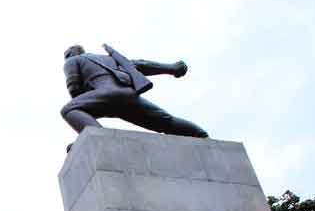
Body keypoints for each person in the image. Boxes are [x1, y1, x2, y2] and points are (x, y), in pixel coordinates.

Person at [60, 43, 208, 142]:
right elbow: (141, 65)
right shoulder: (109, 58)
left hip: (106, 95)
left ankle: (100, 139)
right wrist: (171, 68)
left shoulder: (72, 61)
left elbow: (74, 89)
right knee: (165, 122)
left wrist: (87, 123)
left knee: (69, 109)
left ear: (71, 54)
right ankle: (200, 135)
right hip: (128, 95)